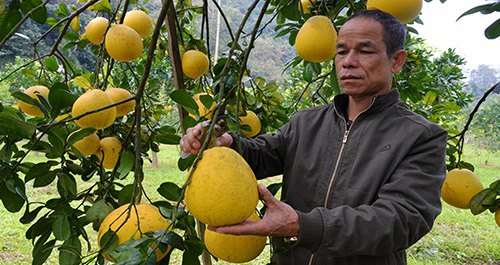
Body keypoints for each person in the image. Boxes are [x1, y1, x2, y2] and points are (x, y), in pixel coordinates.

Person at [180, 9, 447, 265]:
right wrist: (229, 144)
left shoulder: (420, 137)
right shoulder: (307, 122)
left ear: (396, 60)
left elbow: (401, 221)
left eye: (364, 51)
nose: (348, 61)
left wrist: (301, 225)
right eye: (341, 52)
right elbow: (263, 154)